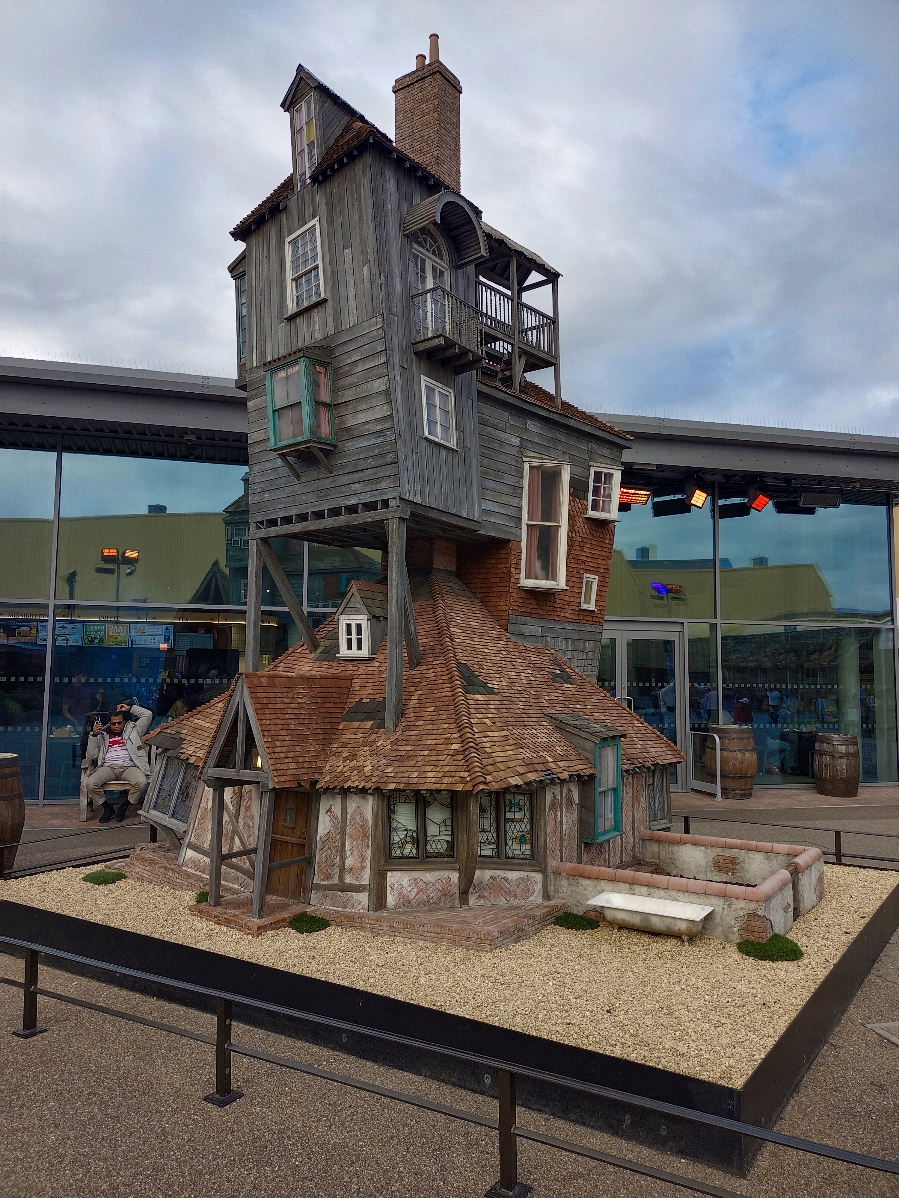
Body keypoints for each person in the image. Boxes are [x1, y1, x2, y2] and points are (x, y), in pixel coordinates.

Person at [83, 702, 153, 823]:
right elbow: (91, 756)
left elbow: (148, 715)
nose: (116, 726)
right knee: (90, 784)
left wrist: (129, 708)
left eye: (119, 723)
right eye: (113, 723)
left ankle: (124, 807)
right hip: (108, 768)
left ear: (125, 722)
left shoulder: (134, 730)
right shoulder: (102, 734)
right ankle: (108, 808)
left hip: (129, 767)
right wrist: (94, 735)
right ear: (109, 723)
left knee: (141, 782)